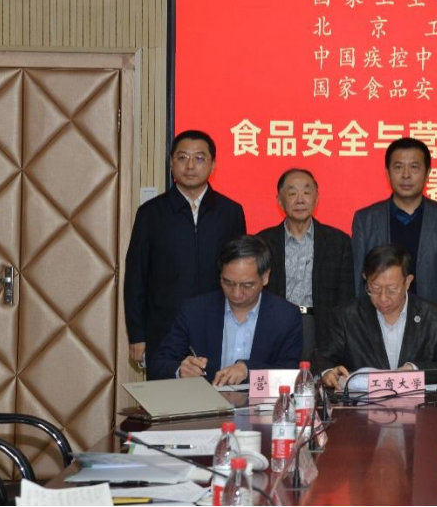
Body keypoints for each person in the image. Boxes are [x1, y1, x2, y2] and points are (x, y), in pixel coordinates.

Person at [125, 130, 247, 368]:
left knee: (217, 391)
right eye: (182, 158)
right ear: (171, 163)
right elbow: (136, 276)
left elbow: (241, 273)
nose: (190, 166)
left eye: (199, 158)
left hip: (219, 327)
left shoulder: (230, 212)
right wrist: (137, 334)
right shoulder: (151, 213)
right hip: (164, 329)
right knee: (166, 390)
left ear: (213, 165)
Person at [149, 235, 302, 384]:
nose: (236, 293)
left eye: (247, 285)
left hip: (260, 401)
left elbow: (291, 377)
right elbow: (159, 363)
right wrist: (180, 370)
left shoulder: (286, 317)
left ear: (265, 277)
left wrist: (248, 370)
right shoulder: (195, 310)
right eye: (228, 283)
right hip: (206, 399)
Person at [351, 137, 437, 340]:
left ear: (427, 173)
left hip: (432, 327)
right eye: (398, 167)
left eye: (414, 167)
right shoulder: (365, 219)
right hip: (378, 326)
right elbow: (357, 282)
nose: (406, 175)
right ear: (387, 173)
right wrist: (357, 333)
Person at [318, 244, 437, 388]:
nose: (383, 298)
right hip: (362, 401)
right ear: (365, 279)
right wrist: (327, 373)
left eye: (392, 290)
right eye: (375, 288)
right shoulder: (346, 317)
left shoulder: (436, 319)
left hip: (421, 402)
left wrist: (415, 370)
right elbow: (322, 360)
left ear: (407, 282)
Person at [255, 168, 354, 361]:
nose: (300, 200)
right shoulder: (262, 242)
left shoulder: (338, 241)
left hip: (322, 326)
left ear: (316, 198)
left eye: (307, 192)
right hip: (276, 326)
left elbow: (346, 298)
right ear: (279, 200)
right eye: (292, 193)